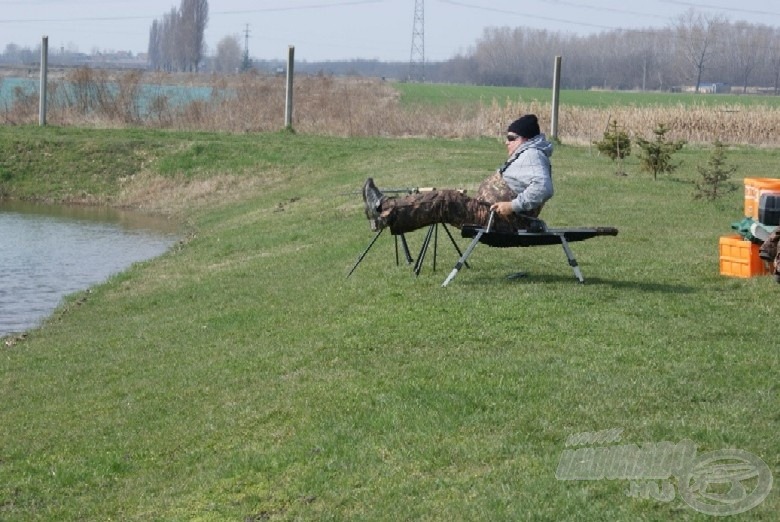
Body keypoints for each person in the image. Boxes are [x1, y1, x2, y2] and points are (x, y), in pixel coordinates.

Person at [362, 114, 554, 235]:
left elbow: (543, 188)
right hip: (494, 216)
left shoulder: (532, 155)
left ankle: (383, 208)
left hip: (502, 221)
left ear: (525, 139)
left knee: (446, 200)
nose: (506, 142)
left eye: (511, 138)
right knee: (447, 199)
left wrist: (512, 206)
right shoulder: (529, 153)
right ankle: (384, 213)